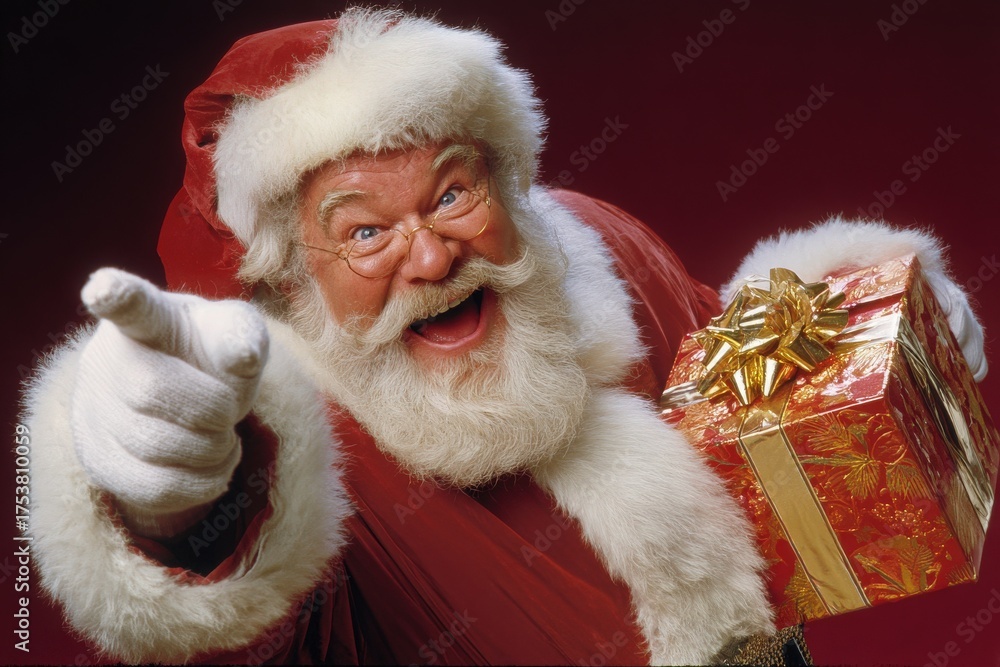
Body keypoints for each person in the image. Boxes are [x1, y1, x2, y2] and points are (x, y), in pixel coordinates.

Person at [22, 8, 988, 665]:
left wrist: (867, 326)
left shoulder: (587, 243)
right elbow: (258, 634)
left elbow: (725, 369)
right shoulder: (290, 448)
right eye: (364, 231)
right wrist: (177, 512)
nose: (434, 259)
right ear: (287, 272)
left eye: (452, 191)